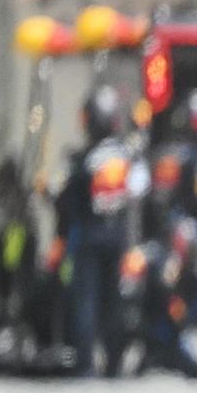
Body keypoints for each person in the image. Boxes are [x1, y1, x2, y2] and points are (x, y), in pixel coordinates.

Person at [55, 85, 144, 377]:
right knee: (114, 302)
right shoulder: (125, 156)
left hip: (89, 238)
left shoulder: (83, 159)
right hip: (117, 238)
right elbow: (140, 191)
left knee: (86, 302)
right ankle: (115, 365)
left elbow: (66, 199)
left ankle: (85, 364)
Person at [138, 89, 197, 376]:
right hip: (186, 237)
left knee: (165, 291)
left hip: (159, 237)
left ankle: (159, 344)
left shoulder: (164, 154)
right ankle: (168, 344)